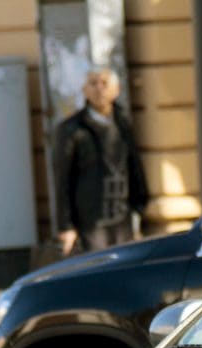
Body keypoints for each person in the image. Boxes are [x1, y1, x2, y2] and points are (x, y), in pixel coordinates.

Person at [53, 68, 148, 257]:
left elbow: (135, 167)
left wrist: (139, 210)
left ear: (116, 90)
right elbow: (62, 178)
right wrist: (66, 226)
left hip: (122, 219)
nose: (99, 89)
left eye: (104, 83)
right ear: (84, 90)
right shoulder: (71, 129)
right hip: (91, 221)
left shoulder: (123, 123)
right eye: (93, 83)